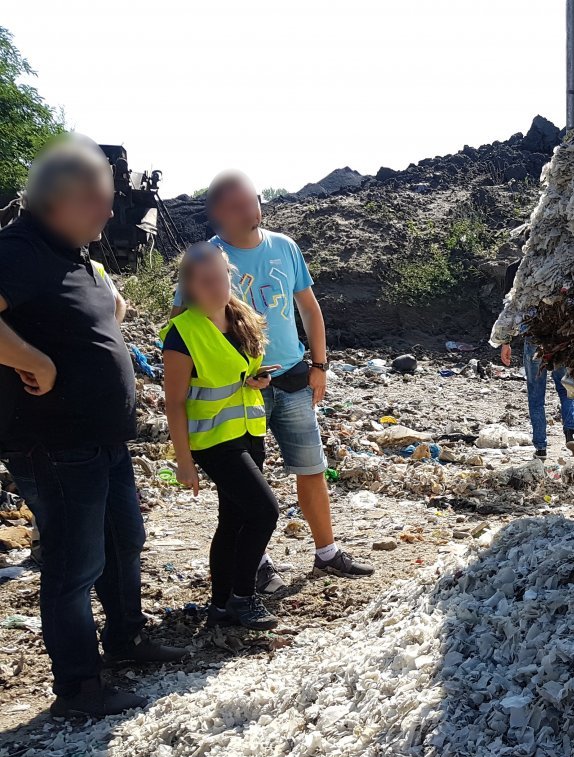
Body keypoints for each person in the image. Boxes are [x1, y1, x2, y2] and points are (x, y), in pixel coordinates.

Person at [0, 136, 188, 718]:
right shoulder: (19, 248)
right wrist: (36, 361)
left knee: (123, 540)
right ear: (64, 198)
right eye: (101, 201)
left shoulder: (69, 249)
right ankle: (79, 688)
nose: (111, 213)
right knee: (73, 564)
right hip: (54, 443)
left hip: (100, 439)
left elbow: (85, 314)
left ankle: (126, 641)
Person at [173, 171, 372, 591]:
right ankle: (256, 563)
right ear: (218, 214)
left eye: (253, 201)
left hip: (294, 378)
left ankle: (327, 552)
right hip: (241, 389)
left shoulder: (284, 246)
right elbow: (184, 323)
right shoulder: (207, 259)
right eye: (239, 205)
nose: (251, 210)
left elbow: (310, 310)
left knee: (312, 467)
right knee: (249, 483)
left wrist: (320, 365)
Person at [162, 243, 280, 630]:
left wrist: (255, 381)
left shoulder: (240, 318)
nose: (215, 286)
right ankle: (244, 598)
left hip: (248, 430)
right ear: (190, 287)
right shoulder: (183, 333)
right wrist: (183, 460)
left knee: (232, 518)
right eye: (205, 281)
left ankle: (220, 606)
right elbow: (175, 402)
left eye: (220, 277)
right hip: (212, 440)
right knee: (264, 511)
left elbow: (236, 377)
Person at [490, 294, 574, 461]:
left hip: (533, 339)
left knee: (536, 396)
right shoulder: (555, 269)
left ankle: (540, 448)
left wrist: (506, 342)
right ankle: (571, 433)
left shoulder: (517, 274)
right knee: (565, 389)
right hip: (558, 336)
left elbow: (510, 312)